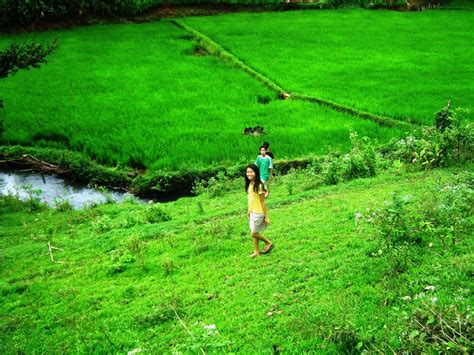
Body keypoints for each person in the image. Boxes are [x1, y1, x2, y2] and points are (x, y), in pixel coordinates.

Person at [245, 164, 274, 258]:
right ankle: (256, 252)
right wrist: (249, 210)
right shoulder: (249, 184)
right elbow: (251, 199)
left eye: (251, 172)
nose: (249, 174)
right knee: (254, 231)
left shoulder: (259, 185)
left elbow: (262, 202)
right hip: (252, 211)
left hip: (259, 212)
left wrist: (266, 216)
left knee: (253, 233)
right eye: (248, 172)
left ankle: (268, 243)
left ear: (255, 172)